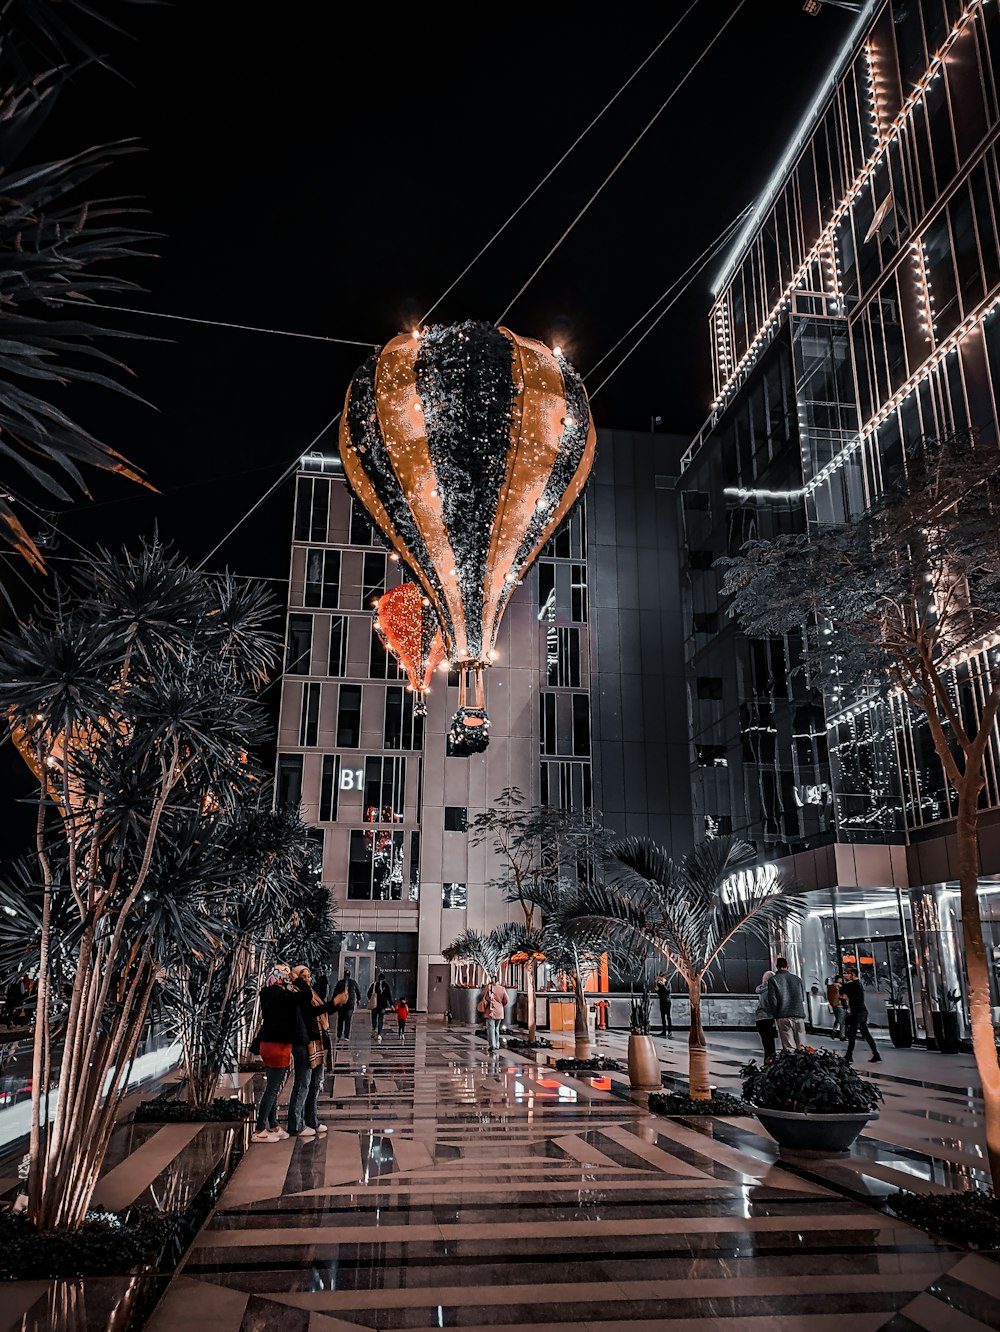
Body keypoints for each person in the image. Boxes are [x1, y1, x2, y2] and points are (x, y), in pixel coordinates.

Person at [287, 965, 338, 1137]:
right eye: (304, 976)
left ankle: (311, 1120)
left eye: (309, 976)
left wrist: (333, 1004)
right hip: (304, 1042)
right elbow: (309, 1012)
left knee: (315, 1084)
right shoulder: (297, 993)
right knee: (303, 1083)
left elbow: (318, 1010)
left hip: (317, 1041)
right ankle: (296, 1124)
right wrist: (300, 983)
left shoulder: (311, 992)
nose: (308, 979)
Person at [252, 963, 299, 1142]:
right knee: (272, 1089)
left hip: (267, 1044)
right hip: (279, 1046)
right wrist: (297, 983)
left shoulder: (266, 994)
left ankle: (273, 1124)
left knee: (271, 1086)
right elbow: (304, 997)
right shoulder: (285, 996)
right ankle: (259, 1129)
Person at [841, 967, 881, 1064]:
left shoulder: (852, 985)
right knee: (866, 1034)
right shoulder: (858, 984)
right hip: (862, 1012)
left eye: (848, 973)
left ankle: (849, 1055)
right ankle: (876, 1054)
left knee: (852, 1034)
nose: (847, 975)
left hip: (857, 1013)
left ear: (853, 974)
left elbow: (842, 990)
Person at [767, 956, 806, 1051]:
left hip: (783, 1014)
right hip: (798, 1014)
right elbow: (802, 997)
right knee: (802, 1045)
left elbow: (773, 1000)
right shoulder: (797, 979)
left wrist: (775, 1015)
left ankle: (792, 1063)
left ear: (777, 967)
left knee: (788, 1045)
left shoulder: (773, 980)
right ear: (787, 966)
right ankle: (803, 1062)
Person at [478, 975, 509, 1052]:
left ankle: (493, 1045)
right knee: (496, 1028)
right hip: (499, 1011)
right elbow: (506, 1000)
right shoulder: (502, 989)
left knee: (491, 1029)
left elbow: (482, 995)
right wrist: (501, 1005)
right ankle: (497, 1044)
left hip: (490, 1011)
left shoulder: (488, 988)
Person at [332, 967, 362, 1039]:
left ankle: (339, 1034)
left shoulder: (340, 983)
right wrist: (358, 999)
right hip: (350, 1004)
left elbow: (335, 993)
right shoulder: (354, 983)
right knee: (348, 1020)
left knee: (340, 1019)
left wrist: (334, 1002)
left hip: (341, 1004)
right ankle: (346, 1035)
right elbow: (358, 992)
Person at [754, 969, 778, 1060]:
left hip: (760, 1018)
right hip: (768, 1018)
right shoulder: (770, 991)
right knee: (770, 1044)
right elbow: (771, 1005)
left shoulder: (761, 990)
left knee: (766, 1043)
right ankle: (770, 1063)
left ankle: (768, 1062)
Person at [367, 972, 393, 1043]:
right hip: (383, 1005)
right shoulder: (386, 985)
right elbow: (389, 996)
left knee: (374, 1017)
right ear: (384, 978)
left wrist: (371, 999)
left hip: (375, 1004)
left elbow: (368, 993)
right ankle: (379, 1034)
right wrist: (391, 1004)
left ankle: (374, 1030)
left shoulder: (374, 985)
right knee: (380, 1019)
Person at [655, 972, 673, 1038]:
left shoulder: (667, 983)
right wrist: (657, 990)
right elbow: (659, 993)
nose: (659, 979)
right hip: (662, 1001)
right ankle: (664, 1031)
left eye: (660, 978)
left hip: (667, 1001)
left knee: (668, 1016)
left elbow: (668, 991)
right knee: (663, 1017)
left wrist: (663, 986)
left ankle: (670, 1031)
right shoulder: (658, 984)